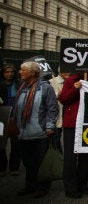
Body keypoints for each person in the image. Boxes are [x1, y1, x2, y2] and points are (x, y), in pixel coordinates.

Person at [13, 62, 58, 198]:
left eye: (23, 70)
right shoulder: (21, 87)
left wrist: (50, 126)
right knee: (28, 162)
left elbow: (52, 108)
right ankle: (30, 185)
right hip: (23, 132)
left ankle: (42, 186)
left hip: (40, 132)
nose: (20, 72)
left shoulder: (45, 88)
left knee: (40, 161)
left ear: (32, 73)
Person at [58, 71, 88, 198]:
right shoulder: (71, 80)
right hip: (72, 124)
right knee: (70, 157)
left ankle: (83, 184)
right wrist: (74, 88)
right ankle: (70, 187)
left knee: (84, 157)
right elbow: (63, 99)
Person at [0, 63, 21, 176]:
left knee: (16, 143)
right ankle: (2, 167)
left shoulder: (18, 84)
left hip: (15, 115)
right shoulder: (1, 84)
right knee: (1, 144)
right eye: (7, 72)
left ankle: (14, 167)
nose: (9, 74)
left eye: (11, 72)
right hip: (2, 115)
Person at [49, 68, 68, 153]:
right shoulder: (52, 82)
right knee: (56, 138)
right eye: (66, 70)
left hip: (67, 113)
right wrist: (58, 94)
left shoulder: (71, 82)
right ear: (60, 72)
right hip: (58, 114)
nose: (69, 72)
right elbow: (49, 97)